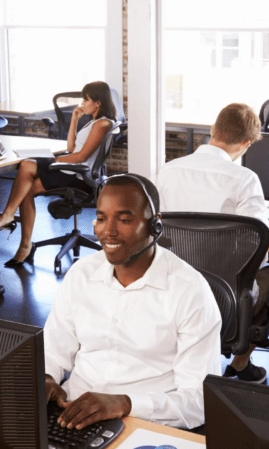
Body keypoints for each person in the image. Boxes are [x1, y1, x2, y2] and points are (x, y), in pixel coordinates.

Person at [43, 174, 221, 431]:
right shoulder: (82, 274)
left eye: (124, 220)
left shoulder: (190, 291)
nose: (108, 231)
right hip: (73, 414)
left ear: (154, 226)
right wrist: (47, 378)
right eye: (101, 218)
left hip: (144, 423)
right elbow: (53, 348)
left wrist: (125, 404)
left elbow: (199, 401)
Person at [156, 102, 269, 385]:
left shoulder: (166, 171)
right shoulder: (245, 180)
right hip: (224, 296)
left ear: (212, 129)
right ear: (245, 143)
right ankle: (241, 364)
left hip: (173, 291)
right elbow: (257, 246)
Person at [0, 81, 118, 268]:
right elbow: (71, 148)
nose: (82, 103)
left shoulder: (103, 123)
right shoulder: (94, 121)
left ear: (97, 103)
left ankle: (9, 217)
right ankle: (24, 244)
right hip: (71, 169)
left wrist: (54, 161)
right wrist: (74, 119)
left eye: (86, 99)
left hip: (77, 176)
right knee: (26, 188)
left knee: (26, 165)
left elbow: (81, 156)